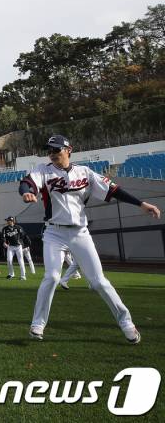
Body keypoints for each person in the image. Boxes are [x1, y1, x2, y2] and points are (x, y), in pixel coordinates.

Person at [20, 134, 160, 342]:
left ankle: (126, 322)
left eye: (56, 149)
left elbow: (114, 190)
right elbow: (27, 183)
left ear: (69, 150)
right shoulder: (44, 170)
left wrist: (141, 204)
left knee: (98, 282)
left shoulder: (84, 172)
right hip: (54, 233)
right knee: (51, 277)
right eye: (49, 150)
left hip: (80, 232)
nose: (52, 154)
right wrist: (27, 192)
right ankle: (37, 325)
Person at [1, 216, 27, 281]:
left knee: (20, 261)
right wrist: (4, 242)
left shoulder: (18, 227)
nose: (7, 222)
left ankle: (23, 276)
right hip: (10, 247)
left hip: (18, 247)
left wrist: (21, 242)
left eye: (8, 220)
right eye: (7, 220)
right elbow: (3, 237)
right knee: (9, 260)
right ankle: (11, 274)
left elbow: (23, 235)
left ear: (12, 221)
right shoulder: (5, 229)